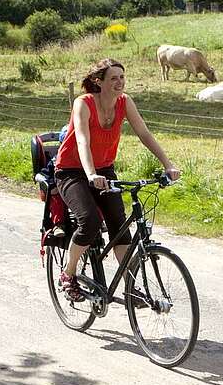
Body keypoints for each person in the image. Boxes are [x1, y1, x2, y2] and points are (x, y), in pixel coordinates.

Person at [56, 58, 182, 302]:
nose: (120, 82)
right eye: (113, 78)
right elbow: (82, 139)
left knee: (120, 226)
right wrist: (91, 174)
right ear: (98, 81)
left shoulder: (125, 102)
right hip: (72, 171)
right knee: (89, 221)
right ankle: (68, 274)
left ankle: (129, 286)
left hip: (104, 170)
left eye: (122, 77)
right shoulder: (83, 103)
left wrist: (168, 165)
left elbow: (144, 133)